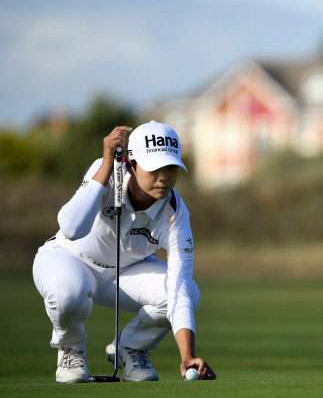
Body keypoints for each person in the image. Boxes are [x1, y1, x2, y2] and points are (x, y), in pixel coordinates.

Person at [32, 121, 216, 383]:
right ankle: (71, 348)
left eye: (171, 168)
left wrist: (187, 355)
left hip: (125, 273)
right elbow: (71, 228)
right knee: (68, 292)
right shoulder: (105, 170)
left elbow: (179, 286)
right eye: (154, 168)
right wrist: (107, 166)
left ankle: (130, 348)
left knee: (189, 292)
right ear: (131, 165)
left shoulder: (175, 213)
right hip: (68, 258)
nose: (164, 177)